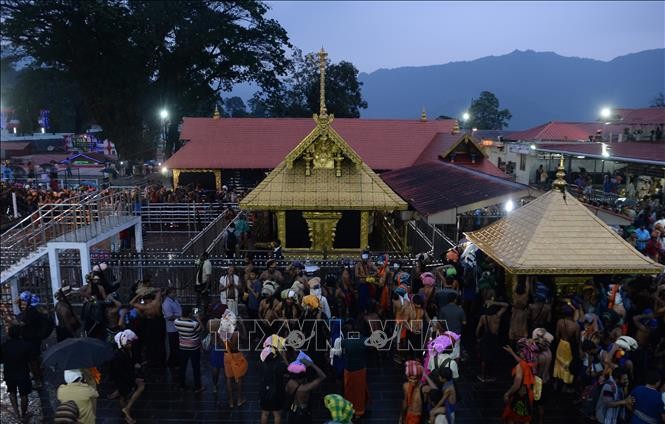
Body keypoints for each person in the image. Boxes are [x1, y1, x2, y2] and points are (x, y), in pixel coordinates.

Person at [110, 329, 143, 424]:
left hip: (125, 378)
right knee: (124, 396)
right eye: (129, 342)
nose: (130, 344)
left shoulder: (124, 352)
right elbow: (119, 372)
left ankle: (125, 412)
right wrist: (134, 379)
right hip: (123, 380)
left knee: (123, 396)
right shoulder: (118, 356)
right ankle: (126, 412)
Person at [0, 325, 33, 422]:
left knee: (12, 392)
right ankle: (23, 414)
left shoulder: (4, 346)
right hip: (23, 373)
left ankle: (16, 413)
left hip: (9, 373)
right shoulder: (26, 345)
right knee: (24, 395)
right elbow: (31, 360)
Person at [341, 320, 371, 419]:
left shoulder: (346, 341)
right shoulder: (365, 341)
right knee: (360, 391)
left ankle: (349, 409)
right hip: (360, 369)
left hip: (349, 369)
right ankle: (359, 411)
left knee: (349, 390)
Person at [285, 357, 327, 424]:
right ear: (303, 377)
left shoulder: (289, 383)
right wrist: (311, 364)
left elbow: (290, 369)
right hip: (302, 414)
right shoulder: (305, 388)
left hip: (292, 412)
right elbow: (323, 376)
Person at [476, 299, 509, 382]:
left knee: (484, 358)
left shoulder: (483, 317)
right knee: (492, 357)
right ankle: (490, 376)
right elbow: (506, 305)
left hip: (486, 337)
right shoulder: (497, 316)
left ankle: (483, 377)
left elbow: (478, 329)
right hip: (494, 338)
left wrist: (477, 338)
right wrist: (494, 302)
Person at [221, 309, 248, 408]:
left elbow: (221, 344)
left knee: (228, 378)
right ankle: (240, 400)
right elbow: (245, 338)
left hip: (227, 355)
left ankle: (231, 402)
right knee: (239, 378)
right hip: (236, 355)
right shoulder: (236, 332)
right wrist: (243, 324)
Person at [174, 305, 204, 392]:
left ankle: (182, 385)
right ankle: (198, 386)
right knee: (196, 367)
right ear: (190, 314)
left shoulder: (176, 321)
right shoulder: (194, 324)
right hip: (194, 348)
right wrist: (198, 319)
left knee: (183, 367)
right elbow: (202, 329)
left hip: (183, 347)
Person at [259, 344, 289, 424]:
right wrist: (284, 357)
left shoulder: (262, 364)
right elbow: (289, 370)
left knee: (265, 413)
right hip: (277, 392)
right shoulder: (280, 365)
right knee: (277, 415)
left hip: (265, 391)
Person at [553, 303, 579, 393]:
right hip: (569, 346)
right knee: (567, 365)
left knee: (558, 362)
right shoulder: (575, 326)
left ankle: (556, 382)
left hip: (561, 344)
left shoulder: (560, 321)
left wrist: (558, 342)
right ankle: (565, 385)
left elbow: (557, 334)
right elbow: (577, 339)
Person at [161, 287, 182, 368]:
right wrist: (180, 317)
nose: (175, 294)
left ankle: (171, 361)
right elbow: (169, 317)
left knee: (176, 345)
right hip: (172, 328)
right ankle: (174, 363)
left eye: (175, 292)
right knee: (174, 346)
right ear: (169, 294)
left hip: (177, 327)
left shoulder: (175, 300)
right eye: (173, 292)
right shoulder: (166, 303)